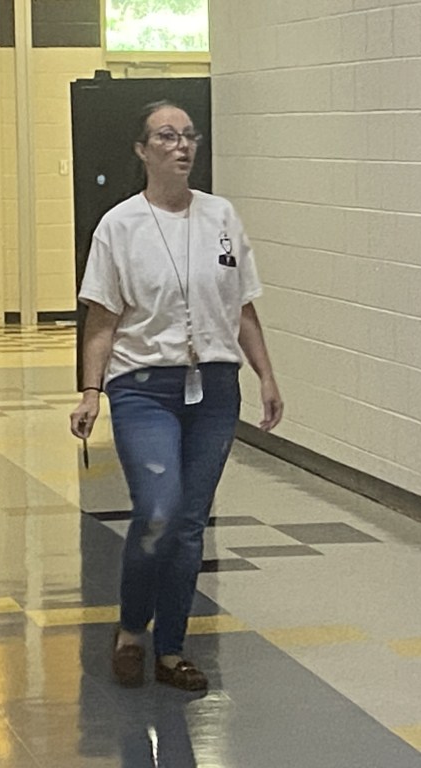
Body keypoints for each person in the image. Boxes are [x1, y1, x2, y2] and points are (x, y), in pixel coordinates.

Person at [69, 100, 284, 692]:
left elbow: (242, 307)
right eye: (167, 136)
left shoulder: (221, 216)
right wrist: (91, 391)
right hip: (144, 387)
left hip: (214, 387)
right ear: (142, 150)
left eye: (189, 136)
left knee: (189, 523)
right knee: (158, 511)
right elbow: (102, 318)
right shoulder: (119, 226)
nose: (182, 145)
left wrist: (265, 375)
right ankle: (131, 629)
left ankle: (170, 649)